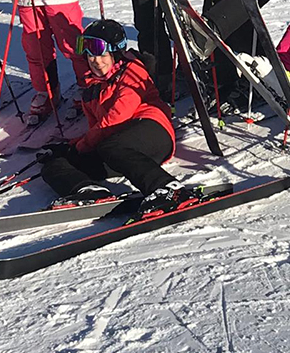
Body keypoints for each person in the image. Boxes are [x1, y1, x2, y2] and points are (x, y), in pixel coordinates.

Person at [40, 19, 198, 216]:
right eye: (90, 56)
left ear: (115, 54)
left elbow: (117, 117)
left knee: (109, 146)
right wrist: (69, 148)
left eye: (102, 55)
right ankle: (88, 190)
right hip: (120, 150)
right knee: (55, 163)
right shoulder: (91, 90)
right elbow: (97, 130)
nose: (96, 61)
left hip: (152, 131)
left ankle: (167, 188)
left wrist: (81, 146)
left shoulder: (133, 72)